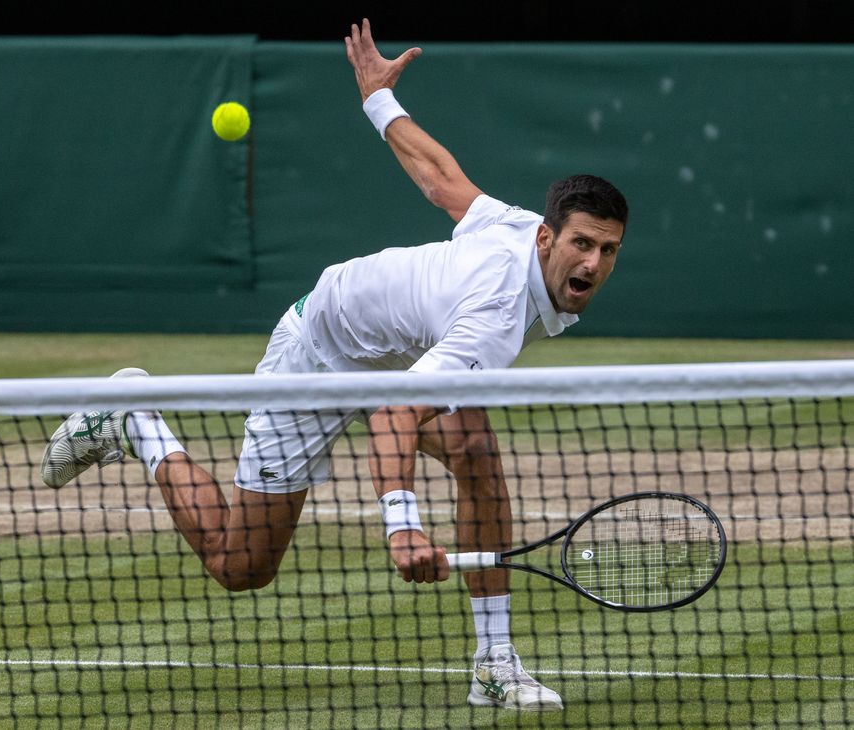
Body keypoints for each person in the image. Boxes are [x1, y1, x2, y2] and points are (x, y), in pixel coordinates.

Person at [41, 18, 627, 713]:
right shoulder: (495, 317)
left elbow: (442, 180)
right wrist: (402, 523)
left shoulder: (515, 231)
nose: (592, 262)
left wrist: (379, 99)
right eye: (582, 244)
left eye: (608, 250)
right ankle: (135, 419)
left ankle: (494, 664)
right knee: (240, 566)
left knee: (474, 449)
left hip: (393, 347)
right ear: (546, 235)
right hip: (319, 351)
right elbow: (394, 412)